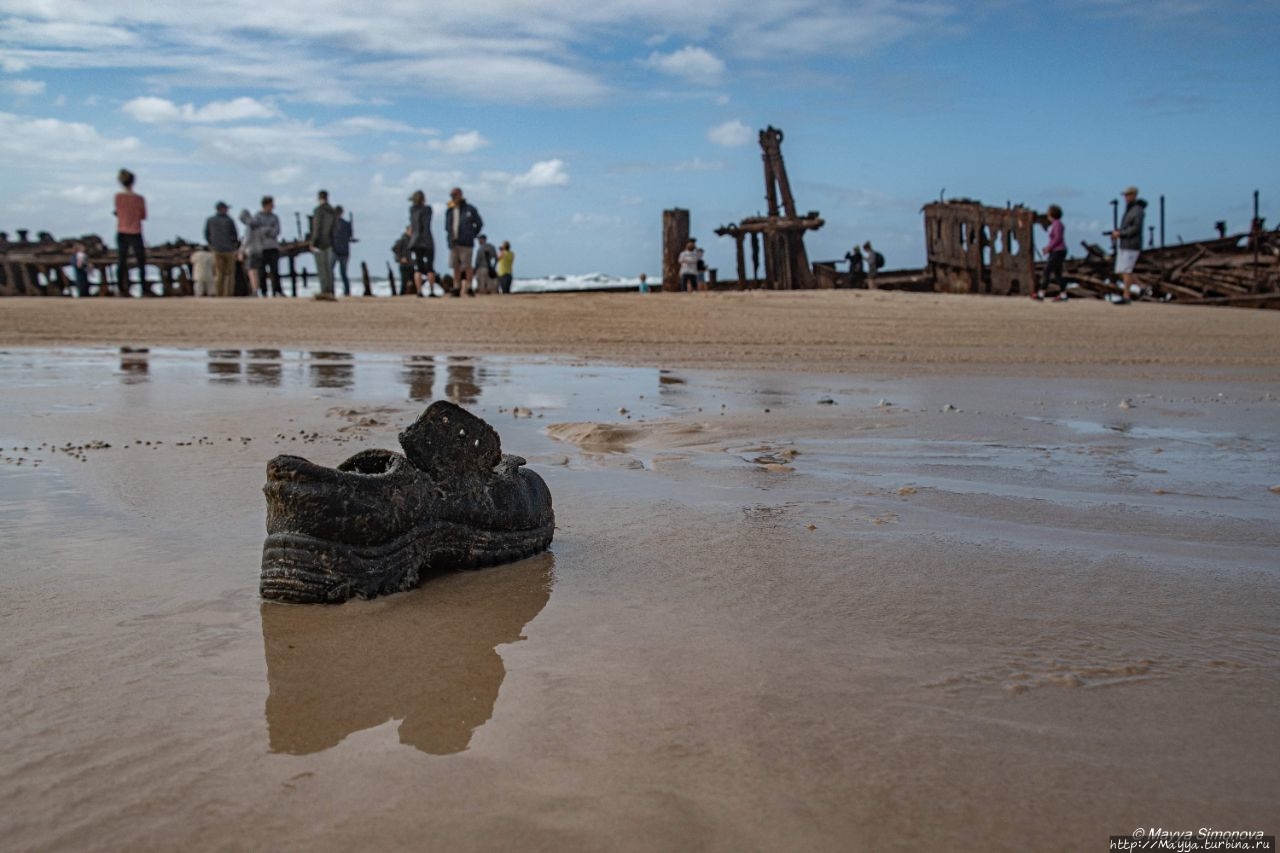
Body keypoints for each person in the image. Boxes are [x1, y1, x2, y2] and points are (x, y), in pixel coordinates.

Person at [1110, 186, 1147, 305]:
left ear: (1134, 195)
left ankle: (1126, 296)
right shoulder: (1130, 209)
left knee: (1126, 270)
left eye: (1128, 195)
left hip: (1132, 245)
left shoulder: (1137, 210)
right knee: (1122, 270)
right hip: (1125, 244)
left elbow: (1135, 228)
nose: (1125, 198)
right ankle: (1142, 287)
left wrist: (1120, 233)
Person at [113, 168, 146, 297]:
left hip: (122, 230)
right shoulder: (139, 199)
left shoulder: (118, 197)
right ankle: (144, 288)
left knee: (122, 261)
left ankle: (121, 288)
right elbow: (143, 215)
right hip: (136, 231)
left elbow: (117, 212)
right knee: (141, 262)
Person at [444, 186, 482, 297]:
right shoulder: (450, 210)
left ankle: (469, 287)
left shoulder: (469, 209)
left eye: (455, 195)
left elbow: (479, 223)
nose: (453, 197)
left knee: (467, 265)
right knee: (455, 266)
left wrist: (472, 234)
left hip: (466, 242)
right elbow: (447, 226)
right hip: (454, 241)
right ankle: (457, 287)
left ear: (460, 195)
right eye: (452, 196)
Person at [241, 196, 283, 297]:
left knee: (275, 271)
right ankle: (264, 292)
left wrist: (265, 230)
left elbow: (276, 231)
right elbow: (256, 231)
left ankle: (277, 291)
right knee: (262, 272)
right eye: (272, 204)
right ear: (266, 205)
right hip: (261, 248)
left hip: (273, 247)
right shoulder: (257, 217)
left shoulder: (274, 217)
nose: (273, 206)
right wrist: (268, 230)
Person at [205, 201, 239, 298]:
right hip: (229, 250)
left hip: (216, 249)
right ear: (222, 209)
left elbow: (206, 235)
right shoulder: (229, 220)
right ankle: (228, 293)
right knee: (230, 274)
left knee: (219, 273)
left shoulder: (210, 220)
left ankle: (219, 293)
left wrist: (212, 244)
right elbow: (235, 234)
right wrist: (234, 245)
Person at [408, 190, 437, 297]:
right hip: (427, 239)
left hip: (415, 241)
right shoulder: (427, 209)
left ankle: (419, 291)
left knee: (418, 267)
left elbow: (414, 225)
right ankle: (431, 290)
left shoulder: (412, 210)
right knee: (430, 267)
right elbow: (425, 224)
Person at [309, 189, 337, 300]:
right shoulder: (332, 210)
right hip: (330, 242)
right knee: (329, 268)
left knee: (321, 267)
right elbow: (335, 227)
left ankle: (324, 290)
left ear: (319, 198)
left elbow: (317, 228)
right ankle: (331, 290)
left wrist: (313, 242)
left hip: (320, 243)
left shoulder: (318, 210)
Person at [1038, 204, 1068, 301]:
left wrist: (1048, 248)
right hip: (1058, 250)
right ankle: (1063, 294)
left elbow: (1057, 238)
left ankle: (1041, 293)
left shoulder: (1057, 224)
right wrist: (1048, 248)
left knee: (1047, 271)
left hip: (1058, 251)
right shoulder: (1056, 224)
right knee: (1057, 273)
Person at [333, 205, 354, 296]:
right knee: (343, 273)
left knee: (330, 272)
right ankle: (347, 291)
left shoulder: (332, 224)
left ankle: (331, 290)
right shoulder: (347, 224)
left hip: (334, 250)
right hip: (345, 250)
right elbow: (350, 236)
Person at [392, 226, 413, 297]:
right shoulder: (402, 239)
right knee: (404, 281)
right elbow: (394, 248)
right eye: (411, 231)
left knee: (412, 280)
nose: (412, 232)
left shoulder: (413, 240)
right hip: (404, 264)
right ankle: (402, 295)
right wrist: (400, 258)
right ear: (407, 231)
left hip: (411, 263)